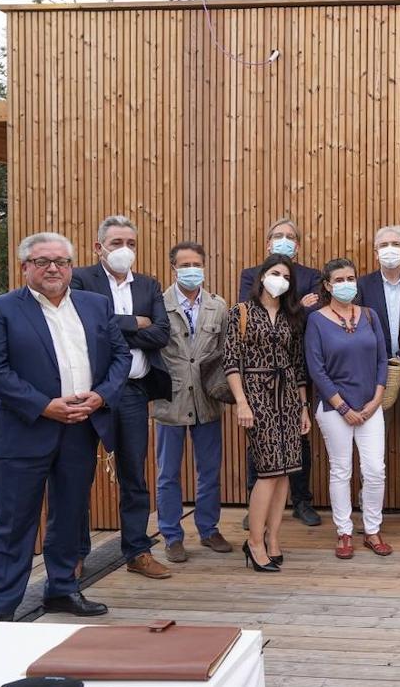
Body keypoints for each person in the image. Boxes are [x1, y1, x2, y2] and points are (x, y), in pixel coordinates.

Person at [0, 232, 130, 620]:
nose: (53, 269)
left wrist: (100, 397)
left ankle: (62, 589)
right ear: (25, 266)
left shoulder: (95, 306)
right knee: (14, 524)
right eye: (43, 261)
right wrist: (44, 406)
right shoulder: (1, 309)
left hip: (81, 428)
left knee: (70, 516)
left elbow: (120, 356)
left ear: (71, 266)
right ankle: (1, 608)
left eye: (61, 261)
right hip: (24, 433)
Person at [70, 215, 172, 580]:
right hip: (91, 391)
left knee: (134, 474)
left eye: (130, 243)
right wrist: (134, 323)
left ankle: (137, 551)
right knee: (78, 474)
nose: (124, 250)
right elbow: (88, 329)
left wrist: (119, 325)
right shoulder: (81, 279)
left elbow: (162, 333)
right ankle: (75, 555)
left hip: (132, 392)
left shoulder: (148, 284)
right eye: (116, 243)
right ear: (99, 247)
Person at [225, 255, 311, 572]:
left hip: (288, 396)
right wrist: (242, 402)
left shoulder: (292, 316)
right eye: (275, 273)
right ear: (262, 276)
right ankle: (254, 541)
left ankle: (274, 538)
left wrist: (303, 407)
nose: (280, 279)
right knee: (268, 471)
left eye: (286, 276)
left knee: (286, 469)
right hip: (257, 395)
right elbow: (231, 361)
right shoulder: (241, 312)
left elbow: (298, 365)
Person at [237, 217, 322, 527]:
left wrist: (291, 308)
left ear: (297, 246)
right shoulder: (250, 274)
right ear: (268, 243)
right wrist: (298, 304)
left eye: (290, 236)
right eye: (278, 235)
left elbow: (313, 316)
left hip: (295, 367)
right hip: (257, 375)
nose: (284, 240)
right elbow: (249, 311)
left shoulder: (311, 275)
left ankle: (301, 501)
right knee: (259, 439)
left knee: (299, 437)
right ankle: (254, 503)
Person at [306, 259, 391, 559]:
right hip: (334, 408)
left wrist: (377, 398)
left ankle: (372, 529)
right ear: (328, 285)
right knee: (341, 470)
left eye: (351, 278)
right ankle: (344, 532)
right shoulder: (316, 320)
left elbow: (383, 359)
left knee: (375, 470)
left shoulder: (369, 315)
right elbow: (316, 369)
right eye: (339, 279)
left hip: (370, 406)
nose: (346, 284)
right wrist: (343, 407)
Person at [154, 241, 232, 563]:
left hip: (207, 400)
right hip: (169, 401)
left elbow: (226, 353)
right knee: (167, 473)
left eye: (196, 264)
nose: (191, 270)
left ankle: (209, 529)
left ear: (204, 265)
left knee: (209, 471)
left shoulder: (218, 306)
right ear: (173, 268)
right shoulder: (158, 304)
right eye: (184, 265)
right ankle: (171, 535)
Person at [355, 225, 400, 524]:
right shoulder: (361, 285)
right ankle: (368, 510)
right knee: (372, 446)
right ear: (375, 252)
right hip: (375, 378)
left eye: (395, 243)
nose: (390, 249)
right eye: (383, 244)